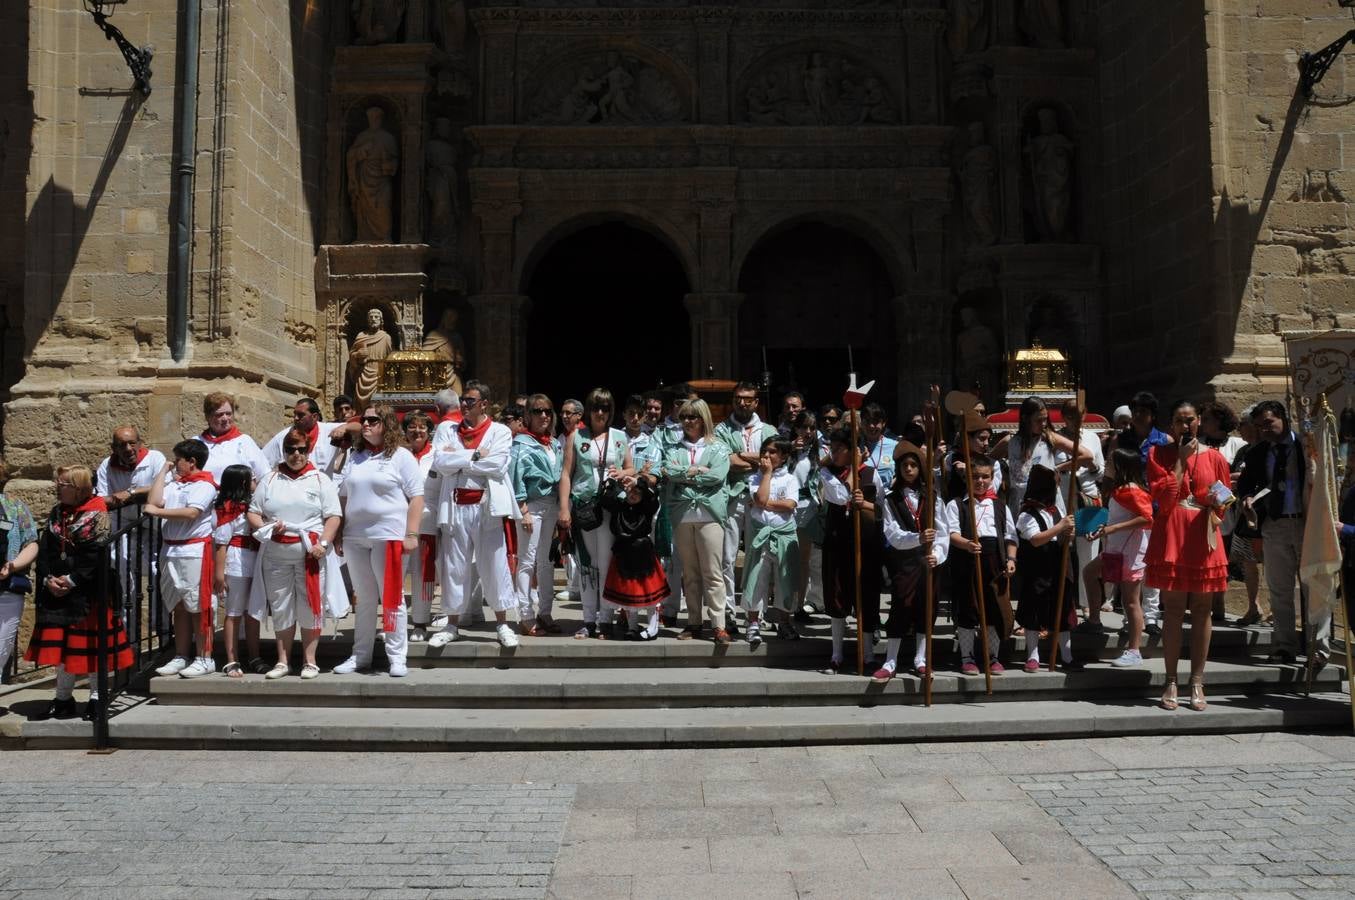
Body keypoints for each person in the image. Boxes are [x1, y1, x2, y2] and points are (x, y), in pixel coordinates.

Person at [26, 465, 132, 722]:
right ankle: (63, 699)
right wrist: (49, 577)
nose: (56, 487)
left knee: (91, 647)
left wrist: (72, 580)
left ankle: (97, 699)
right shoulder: (57, 513)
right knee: (63, 647)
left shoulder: (96, 513)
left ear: (78, 488)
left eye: (62, 484)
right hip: (58, 591)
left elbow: (97, 555)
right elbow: (48, 548)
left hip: (89, 591)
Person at [1146, 399, 1231, 711]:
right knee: (1173, 609)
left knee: (1202, 608)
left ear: (1199, 422)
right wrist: (1180, 460)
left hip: (1202, 534)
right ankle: (1170, 679)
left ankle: (1197, 680)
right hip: (1172, 532)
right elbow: (1165, 500)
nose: (1186, 425)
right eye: (1180, 421)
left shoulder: (1216, 457)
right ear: (1171, 425)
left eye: (1191, 420)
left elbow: (1224, 498)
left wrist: (1216, 500)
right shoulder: (1158, 454)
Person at [335, 404, 425, 676]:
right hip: (355, 536)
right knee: (363, 598)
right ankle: (360, 655)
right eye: (364, 420)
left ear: (386, 424)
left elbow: (417, 497)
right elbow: (343, 495)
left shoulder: (401, 456)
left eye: (373, 420)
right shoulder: (356, 456)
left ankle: (397, 657)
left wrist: (411, 533)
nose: (366, 424)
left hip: (388, 536)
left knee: (391, 597)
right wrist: (339, 531)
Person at [429, 382, 520, 648]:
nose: (464, 405)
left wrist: (458, 459)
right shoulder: (448, 428)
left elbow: (499, 465)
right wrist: (476, 456)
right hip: (456, 506)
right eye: (463, 401)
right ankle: (452, 624)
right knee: (454, 566)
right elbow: (440, 463)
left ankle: (502, 624)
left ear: (484, 404)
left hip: (486, 506)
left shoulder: (500, 431)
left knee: (494, 564)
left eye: (470, 401)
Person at [248, 426, 343, 679]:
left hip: (309, 553)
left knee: (310, 605)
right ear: (284, 451)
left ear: (309, 450)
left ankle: (310, 661)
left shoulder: (321, 479)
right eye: (291, 449)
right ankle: (283, 661)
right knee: (281, 606)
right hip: (276, 554)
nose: (296, 454)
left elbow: (333, 515)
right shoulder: (270, 479)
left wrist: (323, 544)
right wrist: (266, 527)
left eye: (302, 449)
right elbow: (253, 511)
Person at [1237, 399, 1325, 665]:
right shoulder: (1256, 453)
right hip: (1274, 524)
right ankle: (1284, 645)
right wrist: (1247, 499)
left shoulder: (1307, 447)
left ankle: (1317, 649)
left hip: (1307, 522)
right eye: (1259, 425)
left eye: (1268, 423)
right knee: (1279, 588)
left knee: (1316, 587)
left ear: (1283, 418)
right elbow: (1245, 485)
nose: (1264, 429)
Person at [559, 388, 632, 639]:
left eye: (605, 408)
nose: (600, 413)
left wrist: (624, 474)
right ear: (588, 411)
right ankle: (589, 620)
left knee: (607, 564)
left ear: (611, 412)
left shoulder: (621, 436)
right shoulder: (576, 437)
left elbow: (630, 469)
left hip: (611, 508)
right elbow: (567, 474)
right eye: (596, 408)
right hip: (585, 508)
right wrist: (564, 509)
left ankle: (607, 619)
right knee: (587, 565)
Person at [874, 441, 948, 681]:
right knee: (900, 607)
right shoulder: (890, 499)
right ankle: (891, 661)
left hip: (929, 563)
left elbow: (943, 531)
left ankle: (921, 659)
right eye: (904, 465)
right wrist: (918, 539)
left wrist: (936, 555)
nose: (908, 469)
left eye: (913, 465)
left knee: (927, 608)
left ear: (920, 469)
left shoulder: (933, 497)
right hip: (904, 562)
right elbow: (892, 534)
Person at [146, 441, 220, 679]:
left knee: (199, 606)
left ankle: (204, 657)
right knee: (178, 606)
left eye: (177, 459)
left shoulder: (205, 485)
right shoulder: (175, 483)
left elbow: (191, 513)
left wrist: (157, 513)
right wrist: (163, 472)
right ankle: (181, 655)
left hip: (193, 551)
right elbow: (154, 500)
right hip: (171, 550)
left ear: (191, 462)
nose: (174, 462)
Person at [662, 398, 732, 642]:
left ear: (704, 420)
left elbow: (717, 475)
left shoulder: (719, 447)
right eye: (683, 417)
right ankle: (693, 622)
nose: (687, 422)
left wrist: (685, 478)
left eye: (692, 417)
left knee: (712, 571)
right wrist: (693, 471)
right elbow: (668, 471)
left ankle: (718, 624)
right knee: (690, 573)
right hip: (682, 516)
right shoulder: (674, 448)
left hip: (709, 516)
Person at [819, 425, 885, 674]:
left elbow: (880, 507)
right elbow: (839, 496)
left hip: (865, 545)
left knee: (866, 598)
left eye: (839, 449)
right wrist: (852, 472)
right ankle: (836, 654)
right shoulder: (827, 473)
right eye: (832, 449)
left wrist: (865, 503)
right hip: (838, 544)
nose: (834, 453)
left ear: (851, 450)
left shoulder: (871, 473)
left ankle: (867, 654)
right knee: (838, 597)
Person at [946, 453, 1016, 675]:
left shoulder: (1001, 506)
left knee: (993, 609)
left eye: (985, 477)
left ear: (991, 477)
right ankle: (967, 657)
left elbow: (1010, 536)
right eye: (975, 477)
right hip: (967, 561)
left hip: (994, 562)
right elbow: (951, 533)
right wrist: (966, 543)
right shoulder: (957, 504)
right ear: (967, 478)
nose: (980, 481)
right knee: (968, 608)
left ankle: (992, 656)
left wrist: (1011, 559)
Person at [1083, 448, 1153, 667]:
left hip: (1130, 551)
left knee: (1131, 602)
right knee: (1089, 573)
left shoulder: (1133, 490)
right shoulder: (1119, 490)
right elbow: (1119, 518)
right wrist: (1105, 528)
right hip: (1115, 548)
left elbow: (1147, 518)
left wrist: (1113, 529)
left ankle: (1134, 650)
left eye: (1110, 461)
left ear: (1121, 466)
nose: (1106, 464)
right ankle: (1094, 620)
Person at [715, 382, 777, 626]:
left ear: (756, 402)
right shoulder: (721, 429)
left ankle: (755, 614)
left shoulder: (768, 429)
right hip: (731, 497)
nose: (743, 403)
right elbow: (726, 461)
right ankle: (728, 613)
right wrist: (759, 460)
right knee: (726, 558)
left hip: (760, 499)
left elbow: (774, 458)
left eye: (748, 399)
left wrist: (742, 455)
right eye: (739, 398)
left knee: (758, 557)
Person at [1014, 465, 1079, 671]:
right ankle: (1033, 655)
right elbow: (1035, 540)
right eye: (1054, 484)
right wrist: (1060, 527)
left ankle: (1067, 657)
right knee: (1033, 613)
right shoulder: (1026, 514)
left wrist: (1068, 532)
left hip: (1058, 568)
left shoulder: (1057, 510)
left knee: (1062, 613)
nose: (1057, 488)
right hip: (1037, 571)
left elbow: (1061, 539)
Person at [742, 436, 801, 648]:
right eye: (764, 451)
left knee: (785, 579)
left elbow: (789, 504)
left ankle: (784, 622)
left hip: (784, 535)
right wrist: (766, 474)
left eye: (772, 452)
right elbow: (759, 499)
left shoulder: (790, 479)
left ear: (784, 456)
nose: (766, 456)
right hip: (761, 535)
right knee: (757, 577)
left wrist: (765, 503)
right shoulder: (756, 477)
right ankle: (754, 622)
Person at [513, 394, 562, 636]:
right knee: (527, 560)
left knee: (547, 561)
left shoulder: (555, 443)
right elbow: (515, 478)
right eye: (538, 411)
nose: (544, 416)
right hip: (531, 506)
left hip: (552, 505)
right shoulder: (520, 443)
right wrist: (523, 510)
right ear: (527, 416)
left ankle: (545, 612)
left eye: (548, 411)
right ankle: (526, 615)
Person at [599, 476, 669, 639]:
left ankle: (653, 628)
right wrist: (615, 484)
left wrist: (639, 483)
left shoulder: (647, 506)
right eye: (630, 491)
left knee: (650, 594)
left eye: (637, 491)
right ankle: (632, 626)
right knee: (628, 593)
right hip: (623, 552)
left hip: (643, 553)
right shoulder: (619, 506)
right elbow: (604, 499)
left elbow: (652, 496)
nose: (633, 494)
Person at [211, 465, 263, 678]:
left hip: (254, 560)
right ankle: (232, 660)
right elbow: (221, 543)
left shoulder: (251, 505)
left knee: (253, 613)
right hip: (236, 561)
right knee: (233, 612)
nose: (255, 482)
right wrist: (219, 573)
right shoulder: (229, 508)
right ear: (242, 483)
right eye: (252, 479)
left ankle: (255, 656)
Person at [1199, 401, 1247, 623]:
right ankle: (1211, 603)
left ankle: (1221, 601)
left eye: (1206, 419)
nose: (1202, 423)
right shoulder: (1198, 444)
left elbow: (1243, 472)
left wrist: (1230, 478)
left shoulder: (1237, 444)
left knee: (1225, 556)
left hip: (1231, 508)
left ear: (1219, 420)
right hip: (1206, 509)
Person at [0, 457, 38, 714]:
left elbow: (31, 542)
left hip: (7, 589)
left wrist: (13, 565)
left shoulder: (14, 508)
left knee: (2, 645)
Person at [1230, 411, 1269, 627]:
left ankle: (1274, 610)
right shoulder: (1244, 451)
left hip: (1264, 514)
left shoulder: (1268, 449)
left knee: (1271, 562)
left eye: (1242, 424)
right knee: (1248, 562)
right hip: (1243, 515)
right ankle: (1254, 607)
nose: (1239, 430)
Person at [402, 413, 439, 642]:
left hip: (428, 522)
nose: (417, 432)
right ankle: (392, 624)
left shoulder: (438, 455)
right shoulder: (398, 454)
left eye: (422, 427)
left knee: (423, 574)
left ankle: (420, 623)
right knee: (394, 574)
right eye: (412, 428)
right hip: (398, 522)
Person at [788, 410, 824, 625]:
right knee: (783, 560)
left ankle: (799, 606)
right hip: (786, 508)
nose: (808, 432)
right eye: (804, 427)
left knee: (803, 562)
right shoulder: (785, 449)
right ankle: (783, 605)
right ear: (796, 428)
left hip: (808, 509)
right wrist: (790, 449)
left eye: (812, 428)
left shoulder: (819, 453)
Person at [96, 426, 167, 530]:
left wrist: (130, 493)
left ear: (139, 444)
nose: (128, 449)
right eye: (122, 445)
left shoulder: (155, 458)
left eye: (132, 443)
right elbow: (102, 499)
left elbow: (164, 487)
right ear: (114, 448)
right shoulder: (107, 465)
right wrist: (140, 496)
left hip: (151, 522)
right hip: (121, 523)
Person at [261, 397, 348, 480]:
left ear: (314, 417)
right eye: (294, 414)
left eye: (301, 415)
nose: (296, 418)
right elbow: (262, 462)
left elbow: (358, 423)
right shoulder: (283, 436)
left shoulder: (328, 430)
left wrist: (344, 427)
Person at [196, 392, 269, 484]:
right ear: (208, 417)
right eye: (219, 414)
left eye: (228, 414)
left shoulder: (245, 441)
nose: (225, 418)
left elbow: (265, 476)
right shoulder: (196, 442)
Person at [862, 403, 899, 489]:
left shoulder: (895, 445)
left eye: (875, 422)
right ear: (862, 423)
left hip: (888, 497)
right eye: (867, 421)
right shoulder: (856, 447)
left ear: (883, 423)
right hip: (864, 499)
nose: (871, 426)